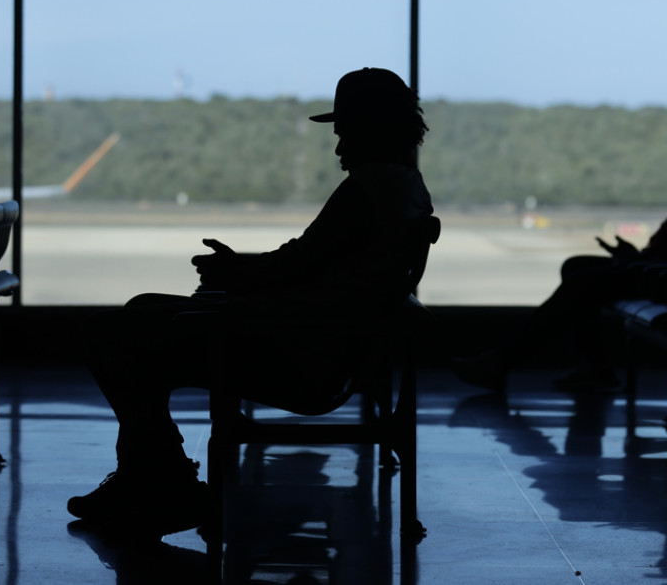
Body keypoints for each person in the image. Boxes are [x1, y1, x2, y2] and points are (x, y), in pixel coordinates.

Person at [67, 67, 435, 538]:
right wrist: (241, 270)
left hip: (298, 356)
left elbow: (299, 264)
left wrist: (234, 275)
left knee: (105, 335)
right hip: (326, 346)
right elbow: (313, 263)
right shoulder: (406, 190)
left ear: (370, 128)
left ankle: (163, 477)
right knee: (141, 310)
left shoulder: (365, 192)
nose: (339, 150)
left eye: (346, 134)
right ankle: (150, 474)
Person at [455, 126, 667, 392]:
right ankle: (590, 365)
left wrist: (644, 262)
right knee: (576, 267)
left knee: (582, 282)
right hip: (658, 272)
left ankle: (504, 361)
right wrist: (638, 256)